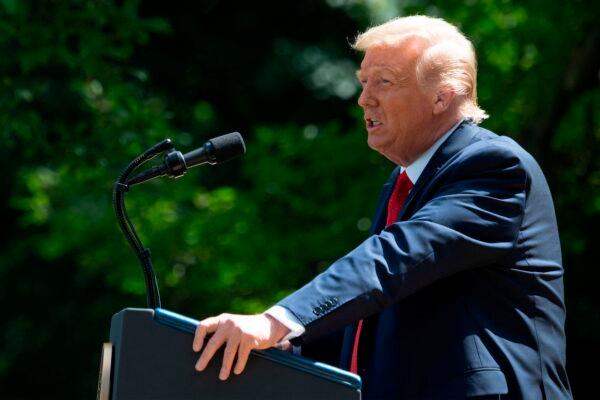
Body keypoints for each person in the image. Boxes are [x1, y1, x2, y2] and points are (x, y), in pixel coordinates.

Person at [192, 16, 572, 399]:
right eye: (363, 82)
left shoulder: (494, 165)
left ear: (443, 95)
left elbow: (395, 258)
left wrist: (277, 321)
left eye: (384, 82)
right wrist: (290, 345)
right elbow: (376, 313)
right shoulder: (404, 182)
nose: (364, 98)